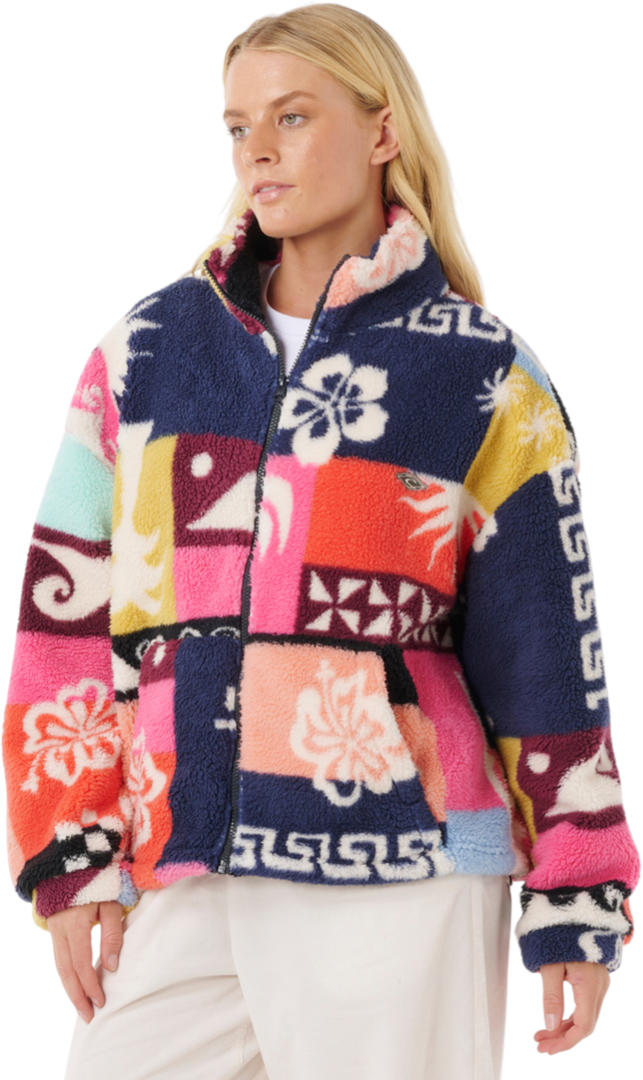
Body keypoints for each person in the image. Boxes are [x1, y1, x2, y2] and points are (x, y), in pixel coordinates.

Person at [2, 5, 639, 1079]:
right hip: (184, 852)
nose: (257, 149)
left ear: (382, 131)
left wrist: (576, 890)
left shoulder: (481, 374)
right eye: (237, 126)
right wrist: (71, 852)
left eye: (291, 117)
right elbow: (64, 619)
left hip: (405, 869)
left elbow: (545, 654)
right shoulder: (148, 352)